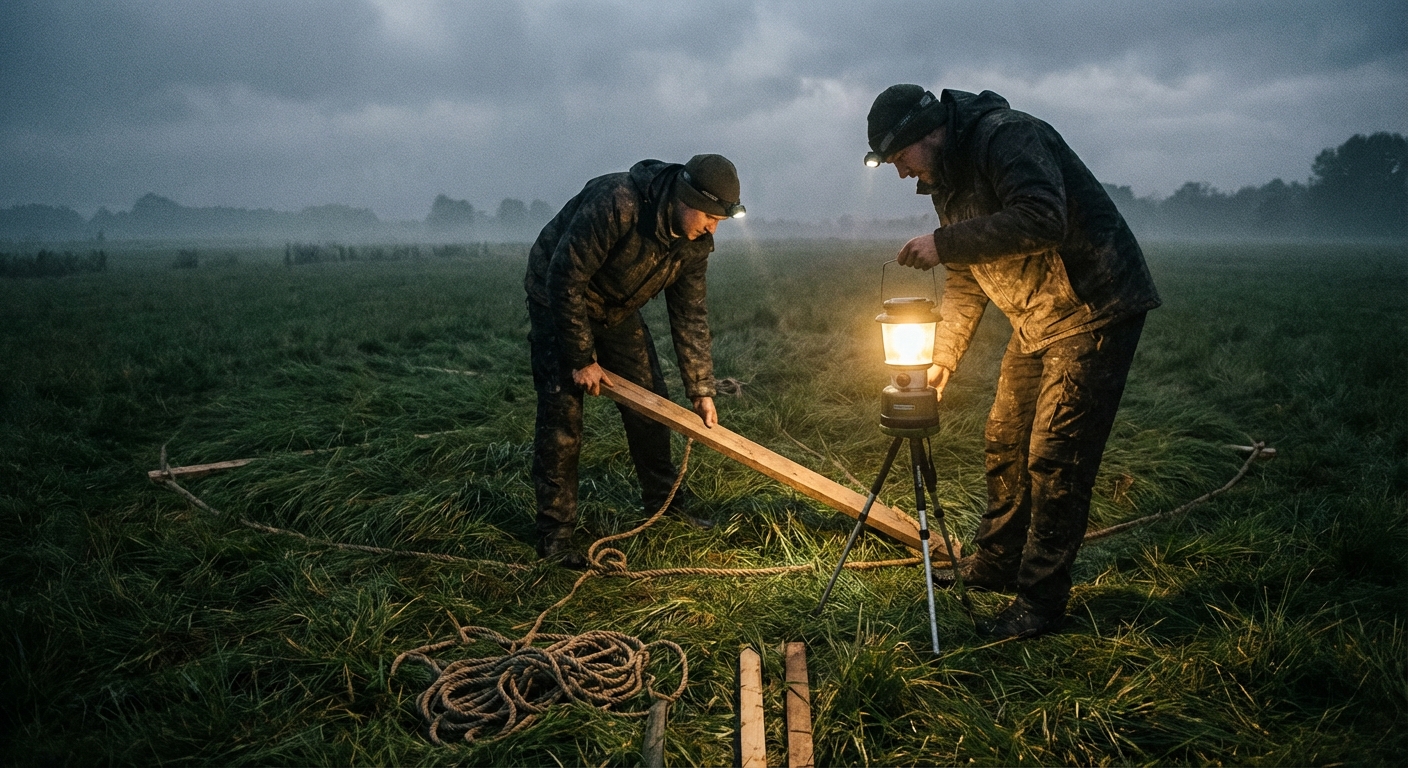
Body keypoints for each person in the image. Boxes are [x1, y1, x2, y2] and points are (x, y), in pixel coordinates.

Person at [864, 85, 1161, 639]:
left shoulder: (1007, 135)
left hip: (1094, 304)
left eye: (900, 159)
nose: (902, 174)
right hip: (1036, 320)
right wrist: (944, 356)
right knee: (1003, 435)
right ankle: (996, 564)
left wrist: (945, 242)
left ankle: (1041, 602)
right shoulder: (944, 182)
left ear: (926, 133)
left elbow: (1043, 217)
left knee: (1055, 454)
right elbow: (966, 273)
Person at [524, 154, 744, 568]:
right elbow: (564, 277)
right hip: (558, 299)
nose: (713, 227)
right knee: (563, 417)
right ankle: (555, 536)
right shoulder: (618, 202)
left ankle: (664, 504)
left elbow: (690, 314)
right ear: (684, 196)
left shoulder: (694, 244)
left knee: (651, 403)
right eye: (710, 216)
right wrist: (582, 357)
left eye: (721, 221)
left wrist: (701, 389)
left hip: (616, 309)